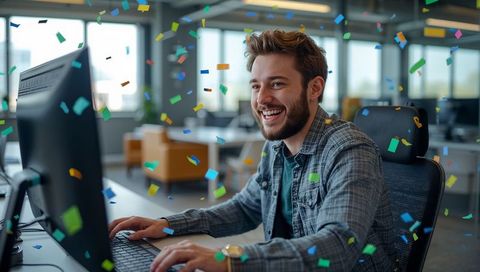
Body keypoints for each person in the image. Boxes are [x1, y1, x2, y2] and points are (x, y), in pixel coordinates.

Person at [109, 29, 397, 272]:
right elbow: (244, 208)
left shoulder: (349, 149)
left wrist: (232, 259)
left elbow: (338, 245)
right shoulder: (275, 147)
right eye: (256, 86)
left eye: (277, 84)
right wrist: (168, 225)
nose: (262, 99)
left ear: (314, 88)